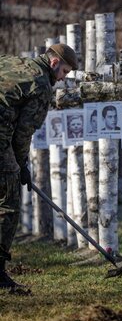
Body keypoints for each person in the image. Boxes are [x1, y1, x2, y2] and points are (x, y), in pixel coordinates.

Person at [0, 43, 77, 288]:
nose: (63, 79)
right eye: (64, 72)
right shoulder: (41, 85)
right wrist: (21, 164)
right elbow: (23, 133)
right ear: (54, 63)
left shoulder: (12, 61)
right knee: (8, 199)